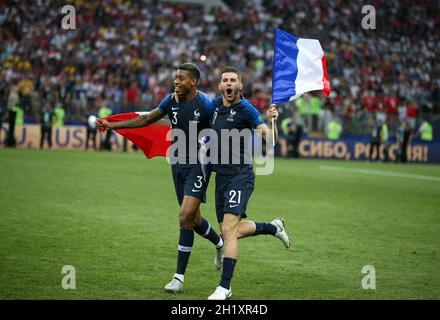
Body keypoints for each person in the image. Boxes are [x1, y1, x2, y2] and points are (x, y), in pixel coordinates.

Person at [96, 63, 224, 293]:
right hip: (177, 165)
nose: (176, 81)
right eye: (175, 77)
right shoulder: (171, 100)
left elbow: (222, 130)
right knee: (193, 220)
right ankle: (219, 243)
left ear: (193, 81)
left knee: (184, 217)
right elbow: (147, 119)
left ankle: (178, 278)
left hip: (199, 165)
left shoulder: (204, 103)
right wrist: (113, 124)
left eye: (181, 78)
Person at [206, 66, 290, 300]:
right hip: (220, 177)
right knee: (229, 231)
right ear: (220, 85)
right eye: (225, 80)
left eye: (234, 80)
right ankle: (274, 227)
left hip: (240, 175)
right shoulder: (213, 107)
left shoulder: (247, 109)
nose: (230, 83)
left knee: (228, 232)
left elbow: (270, 138)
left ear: (240, 86)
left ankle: (225, 287)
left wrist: (273, 121)